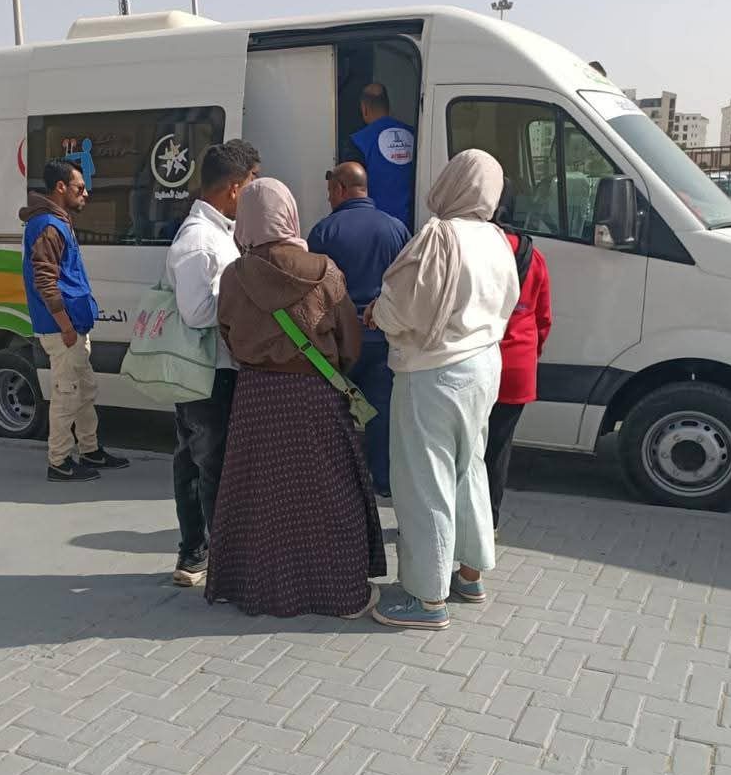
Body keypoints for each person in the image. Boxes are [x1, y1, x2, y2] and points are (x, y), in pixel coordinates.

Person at [206, 178, 385, 618]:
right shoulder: (324, 270)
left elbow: (227, 332)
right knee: (330, 495)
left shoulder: (234, 275)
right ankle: (339, 593)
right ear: (288, 213)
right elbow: (349, 341)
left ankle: (258, 589)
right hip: (314, 396)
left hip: (256, 399)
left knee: (260, 500)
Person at [365, 149, 519, 630]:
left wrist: (376, 313)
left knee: (423, 481)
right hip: (484, 364)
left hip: (434, 371)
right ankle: (470, 575)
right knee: (469, 468)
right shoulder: (497, 238)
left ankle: (427, 598)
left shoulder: (440, 234)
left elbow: (403, 306)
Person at [165, 143, 255, 586]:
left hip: (211, 368)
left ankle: (195, 554)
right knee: (211, 466)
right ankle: (221, 564)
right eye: (251, 185)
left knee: (193, 461)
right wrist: (242, 298)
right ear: (234, 188)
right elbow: (197, 311)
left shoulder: (217, 232)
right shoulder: (200, 240)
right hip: (207, 371)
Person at [21, 159, 130, 482]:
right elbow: (45, 280)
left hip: (71, 325)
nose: (86, 193)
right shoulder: (48, 226)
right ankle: (59, 462)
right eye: (80, 188)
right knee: (67, 393)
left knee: (83, 389)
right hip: (62, 328)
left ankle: (89, 449)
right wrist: (66, 326)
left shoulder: (56, 222)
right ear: (61, 188)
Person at [307, 161, 410, 496]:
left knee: (337, 412)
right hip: (383, 338)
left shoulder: (323, 232)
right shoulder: (396, 229)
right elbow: (407, 286)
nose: (328, 199)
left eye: (329, 192)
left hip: (339, 342)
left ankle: (339, 482)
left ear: (341, 189)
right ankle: (384, 480)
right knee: (380, 413)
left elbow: (312, 292)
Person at [486, 206, 552, 531]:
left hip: (477, 360)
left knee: (464, 449)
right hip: (517, 366)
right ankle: (490, 523)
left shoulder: (479, 251)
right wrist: (529, 354)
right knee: (498, 449)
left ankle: (458, 523)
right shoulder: (534, 257)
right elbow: (543, 318)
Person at [347, 83, 415, 225]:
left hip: (375, 225)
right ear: (388, 107)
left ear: (364, 109)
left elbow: (352, 190)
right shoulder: (414, 135)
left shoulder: (358, 141)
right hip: (412, 222)